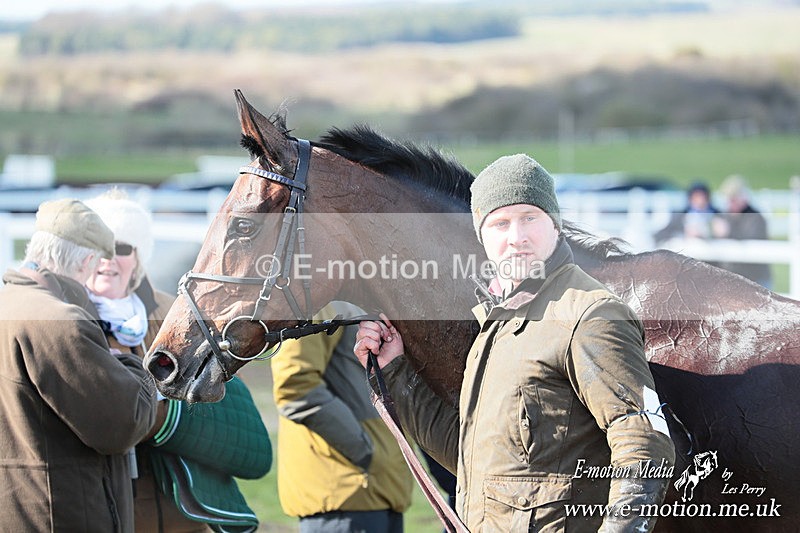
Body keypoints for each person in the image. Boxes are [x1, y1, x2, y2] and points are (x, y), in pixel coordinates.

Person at [355, 154, 676, 532]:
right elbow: (470, 457)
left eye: (530, 218)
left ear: (555, 225)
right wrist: (394, 371)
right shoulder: (495, 324)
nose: (516, 237)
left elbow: (643, 442)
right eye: (500, 223)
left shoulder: (590, 314)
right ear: (482, 237)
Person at [84, 190, 271, 533]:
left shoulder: (172, 312)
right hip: (104, 511)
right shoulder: (68, 321)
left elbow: (217, 393)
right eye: (98, 247)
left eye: (122, 248)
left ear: (138, 257)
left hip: (180, 515)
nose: (108, 259)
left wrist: (155, 412)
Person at [0, 198, 158, 532]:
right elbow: (123, 423)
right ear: (87, 259)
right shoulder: (62, 321)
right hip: (61, 515)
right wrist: (131, 365)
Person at [271, 300, 413, 533]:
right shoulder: (312, 302)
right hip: (345, 493)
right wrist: (367, 453)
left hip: (380, 489)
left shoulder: (361, 294)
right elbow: (295, 386)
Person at [710, 175, 773, 288]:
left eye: (733, 199)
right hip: (731, 279)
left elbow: (750, 241)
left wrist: (727, 233)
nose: (730, 203)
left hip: (755, 279)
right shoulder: (724, 216)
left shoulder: (755, 217)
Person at [654, 181, 721, 243]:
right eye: (696, 197)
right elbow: (661, 235)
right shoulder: (680, 216)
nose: (700, 201)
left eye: (702, 197)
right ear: (690, 199)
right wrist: (683, 234)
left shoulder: (718, 215)